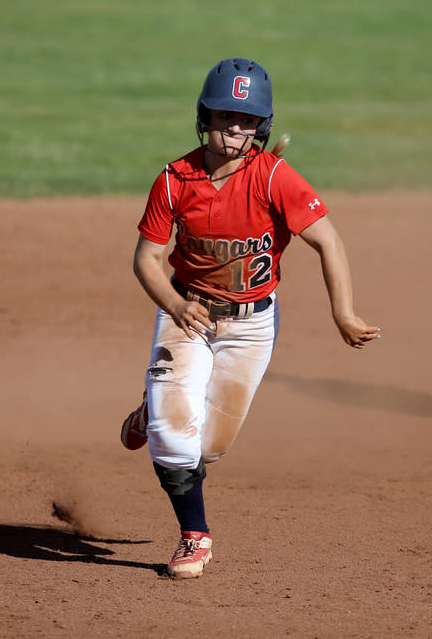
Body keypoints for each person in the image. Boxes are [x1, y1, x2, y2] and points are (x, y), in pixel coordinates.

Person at [118, 58, 380, 578]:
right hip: (186, 312)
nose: (233, 129)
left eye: (245, 121)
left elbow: (328, 241)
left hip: (252, 326)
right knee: (175, 436)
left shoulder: (275, 179)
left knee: (206, 448)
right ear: (204, 117)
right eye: (223, 118)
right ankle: (194, 536)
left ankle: (152, 407)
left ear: (261, 126)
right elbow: (146, 259)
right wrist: (174, 305)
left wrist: (343, 314)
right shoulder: (173, 180)